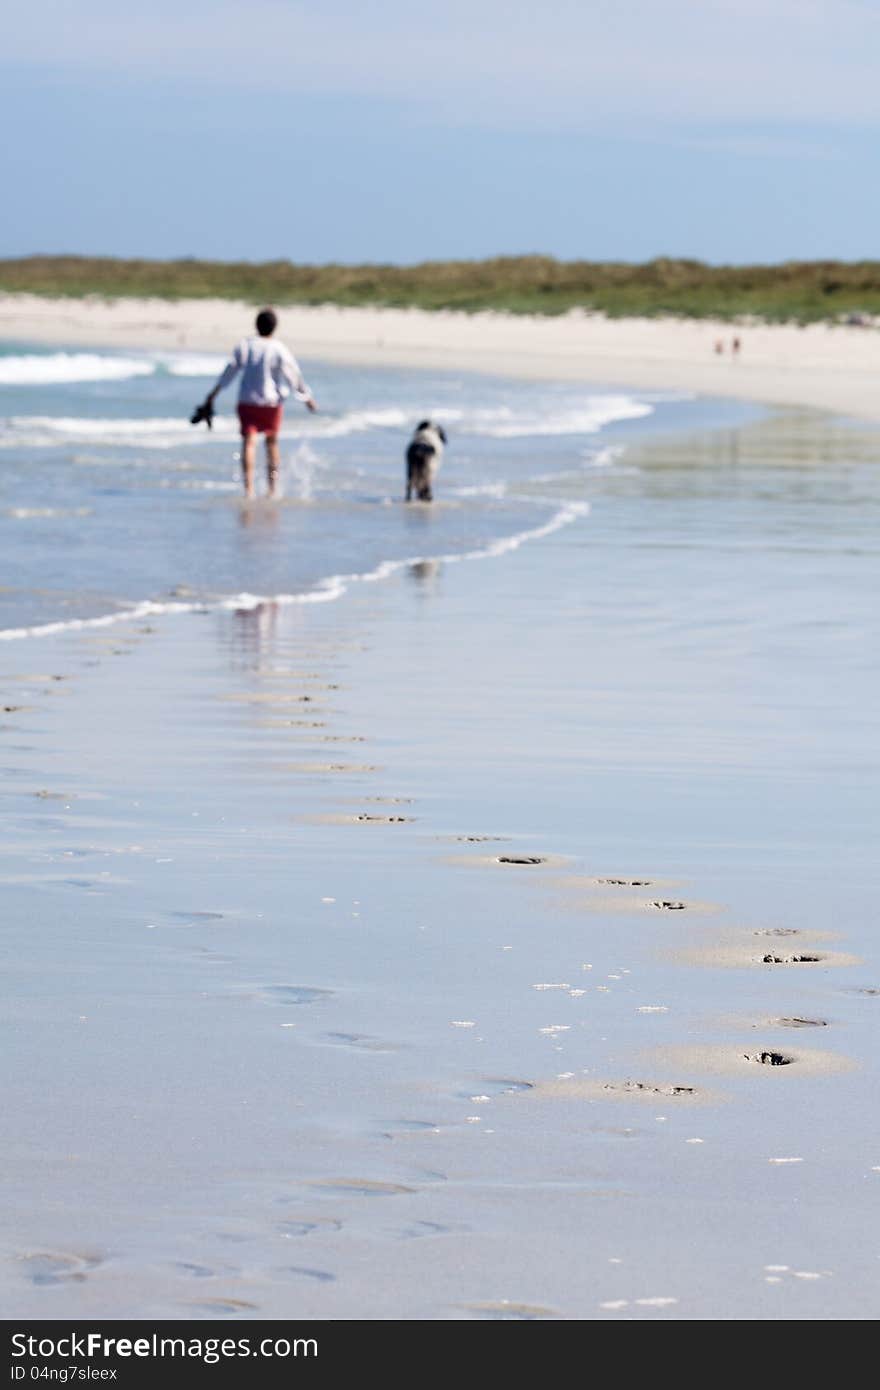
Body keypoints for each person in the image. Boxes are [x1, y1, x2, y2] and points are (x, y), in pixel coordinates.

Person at [198, 308, 318, 498]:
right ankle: (272, 488)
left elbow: (229, 372)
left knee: (249, 443)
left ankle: (249, 489)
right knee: (272, 444)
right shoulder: (278, 348)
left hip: (247, 401)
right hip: (271, 403)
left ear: (256, 325)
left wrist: (212, 395)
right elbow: (292, 374)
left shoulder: (246, 346)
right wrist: (306, 397)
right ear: (274, 327)